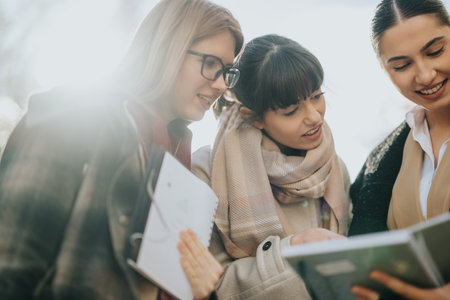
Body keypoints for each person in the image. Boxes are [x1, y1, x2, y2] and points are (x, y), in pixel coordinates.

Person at [0, 0, 243, 299]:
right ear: (167, 48)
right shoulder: (71, 118)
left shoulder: (179, 161)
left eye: (228, 71)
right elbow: (11, 267)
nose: (221, 84)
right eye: (210, 64)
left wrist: (200, 291)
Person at [191, 34, 351, 299]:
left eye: (316, 96)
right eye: (291, 111)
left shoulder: (334, 167)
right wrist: (292, 250)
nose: (314, 116)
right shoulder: (209, 172)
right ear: (254, 118)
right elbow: (212, 283)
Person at [348, 0, 450, 299]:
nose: (425, 75)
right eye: (402, 65)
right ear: (385, 70)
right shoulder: (384, 158)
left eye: (435, 51)